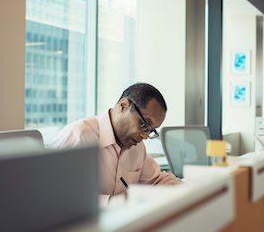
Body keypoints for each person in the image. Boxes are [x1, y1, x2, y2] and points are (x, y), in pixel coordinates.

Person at [52, 83, 181, 196]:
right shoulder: (78, 137)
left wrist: (187, 190)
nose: (145, 136)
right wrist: (121, 201)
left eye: (151, 130)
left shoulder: (137, 147)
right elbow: (59, 195)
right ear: (123, 105)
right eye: (144, 124)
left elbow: (156, 180)